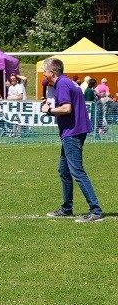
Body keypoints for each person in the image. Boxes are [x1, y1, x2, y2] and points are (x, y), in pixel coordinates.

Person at [40, 58, 103, 222]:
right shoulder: (67, 82)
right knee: (64, 170)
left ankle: (95, 210)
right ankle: (67, 208)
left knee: (77, 171)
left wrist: (49, 110)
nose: (43, 74)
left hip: (72, 132)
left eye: (44, 71)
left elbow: (67, 108)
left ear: (52, 72)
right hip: (74, 131)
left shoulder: (62, 84)